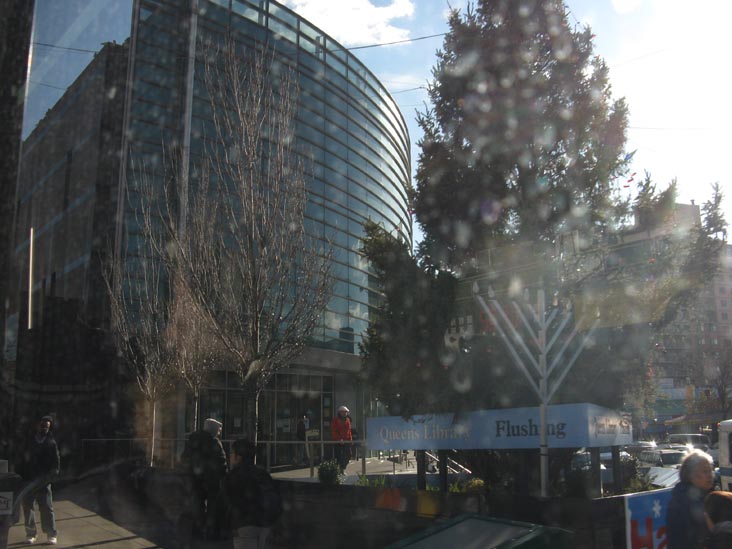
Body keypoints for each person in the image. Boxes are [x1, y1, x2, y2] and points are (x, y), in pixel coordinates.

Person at [220, 438, 282, 549]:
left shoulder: (233, 476)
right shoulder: (262, 473)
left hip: (244, 525)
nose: (230, 456)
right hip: (267, 524)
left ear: (238, 457)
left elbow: (225, 503)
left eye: (232, 453)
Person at [180, 418, 227, 539]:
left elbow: (184, 458)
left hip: (194, 479)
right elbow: (221, 462)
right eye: (218, 430)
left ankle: (197, 531)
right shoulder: (214, 442)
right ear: (213, 430)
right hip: (211, 481)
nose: (219, 432)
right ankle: (210, 532)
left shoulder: (192, 440)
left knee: (197, 505)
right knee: (212, 507)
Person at [20, 415, 60, 545]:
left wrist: (50, 477)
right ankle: (31, 534)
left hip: (44, 481)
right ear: (37, 425)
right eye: (42, 426)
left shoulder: (51, 443)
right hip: (28, 480)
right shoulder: (29, 441)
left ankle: (51, 534)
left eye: (47, 427)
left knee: (47, 507)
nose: (44, 429)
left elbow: (56, 463)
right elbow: (21, 458)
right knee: (28, 508)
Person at [667, 449, 715, 549]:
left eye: (710, 470)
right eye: (705, 471)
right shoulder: (683, 502)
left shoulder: (706, 496)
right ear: (690, 475)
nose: (710, 475)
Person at [330, 405, 352, 472]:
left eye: (346, 412)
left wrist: (350, 440)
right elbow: (334, 431)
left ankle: (343, 468)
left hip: (346, 441)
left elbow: (349, 431)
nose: (345, 413)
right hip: (338, 442)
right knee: (338, 456)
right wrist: (339, 439)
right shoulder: (335, 420)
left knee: (348, 455)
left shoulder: (347, 420)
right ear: (340, 412)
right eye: (343, 412)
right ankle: (339, 470)